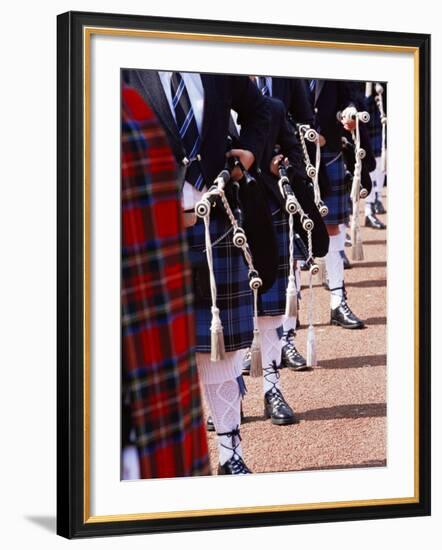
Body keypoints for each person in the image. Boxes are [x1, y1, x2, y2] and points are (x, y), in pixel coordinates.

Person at [123, 69, 270, 474]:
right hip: (150, 235)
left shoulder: (215, 65)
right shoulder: (123, 69)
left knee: (219, 348)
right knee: (157, 354)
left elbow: (263, 110)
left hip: (216, 225)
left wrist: (249, 151)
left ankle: (231, 453)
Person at [121, 83, 210, 479]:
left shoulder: (129, 121)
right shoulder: (128, 106)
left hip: (214, 211)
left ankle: (231, 439)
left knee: (209, 342)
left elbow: (158, 348)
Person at [306, 78, 365, 329]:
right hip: (292, 153)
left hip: (329, 150)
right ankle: (287, 322)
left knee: (332, 226)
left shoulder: (331, 56)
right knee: (292, 233)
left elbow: (346, 98)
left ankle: (337, 300)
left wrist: (348, 113)